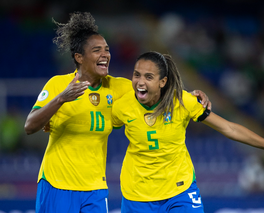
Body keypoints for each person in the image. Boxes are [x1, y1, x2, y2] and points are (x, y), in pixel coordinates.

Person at [24, 12, 211, 213]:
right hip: (56, 182)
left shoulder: (118, 87)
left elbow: (154, 88)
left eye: (107, 49)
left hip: (95, 188)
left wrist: (187, 96)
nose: (105, 54)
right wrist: (61, 99)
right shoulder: (58, 84)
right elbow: (30, 126)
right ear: (79, 57)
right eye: (97, 50)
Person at [111, 51, 264, 213]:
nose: (140, 81)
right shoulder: (122, 106)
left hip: (179, 191)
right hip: (137, 195)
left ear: (162, 82)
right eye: (136, 75)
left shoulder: (183, 102)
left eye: (148, 76)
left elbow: (229, 128)